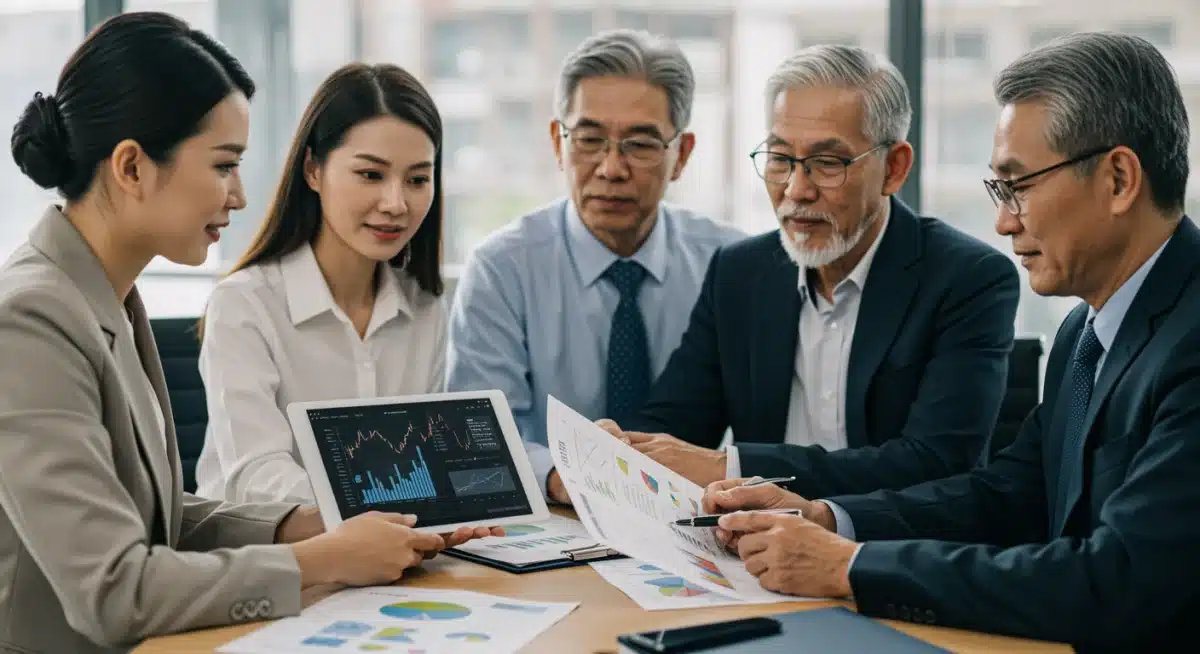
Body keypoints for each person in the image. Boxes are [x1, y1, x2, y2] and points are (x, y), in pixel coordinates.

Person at [0, 14, 497, 654]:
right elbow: (115, 591)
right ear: (132, 167)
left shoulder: (108, 297)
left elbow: (161, 517)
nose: (238, 195)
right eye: (224, 165)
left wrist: (313, 524)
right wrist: (325, 557)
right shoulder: (31, 318)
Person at [702, 32, 1199, 651]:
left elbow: (1117, 580)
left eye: (1018, 186)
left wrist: (849, 567)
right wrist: (828, 518)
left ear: (1119, 179)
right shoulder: (1086, 330)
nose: (1003, 221)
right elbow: (1010, 494)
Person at [603, 45, 1019, 497]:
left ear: (894, 168)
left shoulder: (967, 279)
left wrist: (733, 466)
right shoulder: (739, 273)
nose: (796, 190)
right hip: (747, 534)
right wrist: (620, 448)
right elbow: (675, 426)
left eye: (827, 164)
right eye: (780, 159)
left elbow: (935, 463)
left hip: (883, 538)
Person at [445, 29, 744, 503]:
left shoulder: (730, 264)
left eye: (640, 145)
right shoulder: (502, 269)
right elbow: (477, 438)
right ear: (557, 142)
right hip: (553, 513)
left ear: (681, 154)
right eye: (589, 140)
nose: (611, 168)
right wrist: (566, 476)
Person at [195, 62, 449, 504]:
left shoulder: (426, 307)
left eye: (417, 180)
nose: (396, 204)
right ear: (313, 170)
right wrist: (373, 512)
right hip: (270, 542)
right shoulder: (245, 304)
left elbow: (427, 464)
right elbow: (256, 475)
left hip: (396, 541)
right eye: (371, 175)